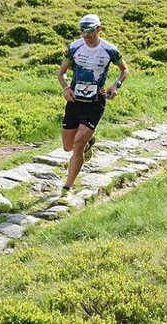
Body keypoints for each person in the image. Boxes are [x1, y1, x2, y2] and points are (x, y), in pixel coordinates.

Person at [57, 14, 128, 202]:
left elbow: (124, 69)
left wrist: (115, 86)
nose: (86, 34)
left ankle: (67, 188)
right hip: (75, 101)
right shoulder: (73, 48)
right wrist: (65, 89)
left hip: (96, 102)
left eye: (90, 30)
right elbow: (62, 72)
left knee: (77, 146)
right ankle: (89, 143)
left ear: (99, 29)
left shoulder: (109, 50)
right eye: (82, 30)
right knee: (67, 147)